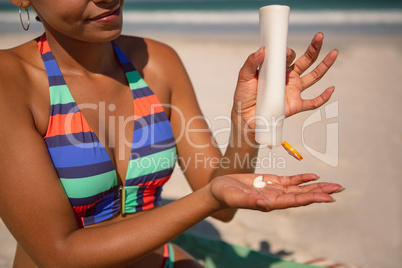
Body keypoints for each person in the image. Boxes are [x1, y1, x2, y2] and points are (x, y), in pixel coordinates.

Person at [0, 0, 342, 267]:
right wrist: (211, 197)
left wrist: (249, 126)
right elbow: (59, 255)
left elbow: (222, 205)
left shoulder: (157, 61)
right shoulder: (10, 82)